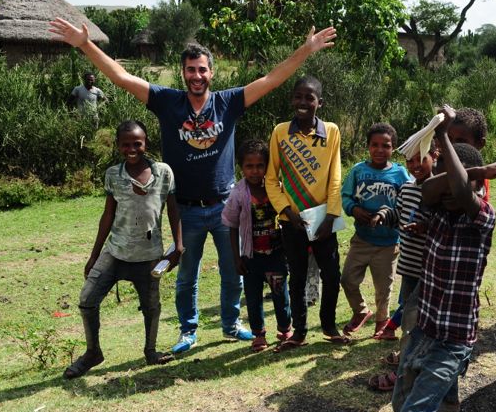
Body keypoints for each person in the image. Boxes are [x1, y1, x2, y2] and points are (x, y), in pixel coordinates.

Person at [49, 17, 336, 352]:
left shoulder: (228, 102)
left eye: (202, 70)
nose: (196, 76)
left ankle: (231, 324)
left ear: (211, 73)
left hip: (227, 207)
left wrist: (307, 49)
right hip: (185, 208)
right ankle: (188, 330)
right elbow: (121, 77)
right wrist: (85, 44)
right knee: (187, 277)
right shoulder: (168, 102)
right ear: (183, 72)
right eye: (190, 70)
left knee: (233, 274)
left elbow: (272, 79)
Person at [392, 106, 496, 412]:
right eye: (445, 184)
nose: (452, 192)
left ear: (481, 187)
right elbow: (428, 191)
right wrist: (475, 170)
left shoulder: (481, 219)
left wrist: (440, 135)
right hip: (425, 329)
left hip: (452, 341)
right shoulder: (435, 211)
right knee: (403, 407)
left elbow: (464, 194)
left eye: (464, 183)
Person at [64, 120, 183, 379]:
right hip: (115, 252)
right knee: (87, 300)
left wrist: (178, 245)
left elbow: (173, 210)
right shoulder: (113, 175)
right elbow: (107, 215)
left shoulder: (163, 172)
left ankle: (150, 351)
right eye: (126, 144)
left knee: (151, 306)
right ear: (118, 146)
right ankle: (93, 353)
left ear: (145, 144)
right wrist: (94, 256)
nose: (132, 149)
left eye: (137, 144)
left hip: (150, 256)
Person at [265, 75, 348, 350]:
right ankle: (299, 333)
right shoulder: (280, 132)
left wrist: (331, 216)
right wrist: (287, 211)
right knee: (297, 278)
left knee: (332, 275)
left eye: (309, 98)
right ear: (292, 100)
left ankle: (328, 326)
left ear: (319, 103)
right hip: (293, 222)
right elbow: (271, 179)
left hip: (323, 221)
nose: (303, 102)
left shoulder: (332, 132)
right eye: (298, 96)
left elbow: (335, 177)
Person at [367, 143, 438, 392]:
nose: (416, 165)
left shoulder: (439, 190)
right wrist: (383, 215)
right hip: (408, 265)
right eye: (410, 161)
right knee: (408, 314)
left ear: (435, 156)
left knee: (418, 319)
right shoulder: (407, 189)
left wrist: (425, 226)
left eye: (422, 159)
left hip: (430, 268)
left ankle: (409, 369)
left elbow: (441, 222)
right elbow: (397, 212)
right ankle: (407, 358)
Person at [222, 139, 292, 352]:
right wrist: (237, 258)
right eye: (249, 166)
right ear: (240, 167)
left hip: (276, 254)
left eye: (260, 165)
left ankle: (285, 328)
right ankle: (259, 334)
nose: (254, 171)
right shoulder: (238, 193)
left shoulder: (277, 189)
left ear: (267, 166)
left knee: (281, 294)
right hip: (251, 257)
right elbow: (232, 226)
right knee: (253, 298)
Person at [340, 123, 410, 337]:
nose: (380, 150)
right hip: (362, 239)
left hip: (388, 243)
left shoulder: (400, 174)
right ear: (368, 146)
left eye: (386, 145)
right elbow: (345, 196)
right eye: (375, 145)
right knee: (348, 279)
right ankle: (360, 311)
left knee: (383, 287)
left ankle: (382, 320)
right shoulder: (358, 171)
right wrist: (354, 209)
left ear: (393, 148)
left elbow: (409, 199)